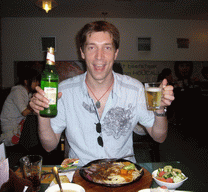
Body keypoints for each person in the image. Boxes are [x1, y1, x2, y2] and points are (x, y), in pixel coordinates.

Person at [30, 21, 174, 166]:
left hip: (124, 173)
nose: (99, 56)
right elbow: (49, 145)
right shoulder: (63, 91)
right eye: (92, 47)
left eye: (107, 48)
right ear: (82, 52)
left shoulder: (134, 89)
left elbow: (159, 137)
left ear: (116, 53)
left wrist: (160, 109)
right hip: (80, 175)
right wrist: (42, 114)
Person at [0, 69, 40, 147]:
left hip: (19, 124)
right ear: (26, 81)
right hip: (10, 126)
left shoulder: (27, 93)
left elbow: (30, 111)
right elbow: (24, 112)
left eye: (37, 81)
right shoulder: (18, 91)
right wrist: (34, 104)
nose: (37, 83)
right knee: (33, 125)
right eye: (34, 81)